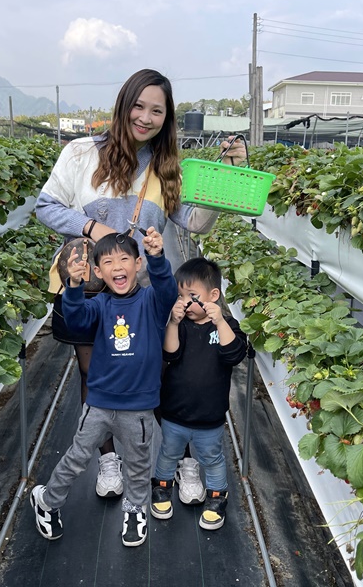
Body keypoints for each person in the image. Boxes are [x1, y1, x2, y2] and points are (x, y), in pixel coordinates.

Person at [35, 68, 246, 499]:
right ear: (123, 103)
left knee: (153, 365)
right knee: (93, 371)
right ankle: (107, 459)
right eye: (139, 106)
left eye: (157, 111)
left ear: (166, 119)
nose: (145, 118)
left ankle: (167, 456)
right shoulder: (80, 154)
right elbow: (46, 206)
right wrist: (93, 228)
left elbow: (193, 223)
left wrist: (221, 183)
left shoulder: (166, 168)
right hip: (93, 286)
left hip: (142, 293)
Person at [29, 228, 177, 547]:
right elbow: (77, 320)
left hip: (138, 409)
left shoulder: (152, 301)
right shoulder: (100, 306)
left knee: (138, 466)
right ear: (98, 272)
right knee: (77, 458)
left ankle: (135, 511)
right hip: (98, 404)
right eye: (108, 261)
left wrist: (159, 257)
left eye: (125, 259)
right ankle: (47, 501)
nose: (117, 266)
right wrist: (72, 286)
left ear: (138, 264)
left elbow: (167, 289)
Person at [150, 257, 247, 530]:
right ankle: (161, 491)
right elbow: (170, 353)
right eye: (180, 296)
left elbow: (234, 355)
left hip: (210, 417)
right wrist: (171, 322)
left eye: (192, 296)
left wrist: (220, 321)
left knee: (213, 459)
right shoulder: (179, 325)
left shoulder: (227, 327)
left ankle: (217, 500)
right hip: (174, 413)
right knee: (168, 454)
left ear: (213, 296)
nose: (185, 302)